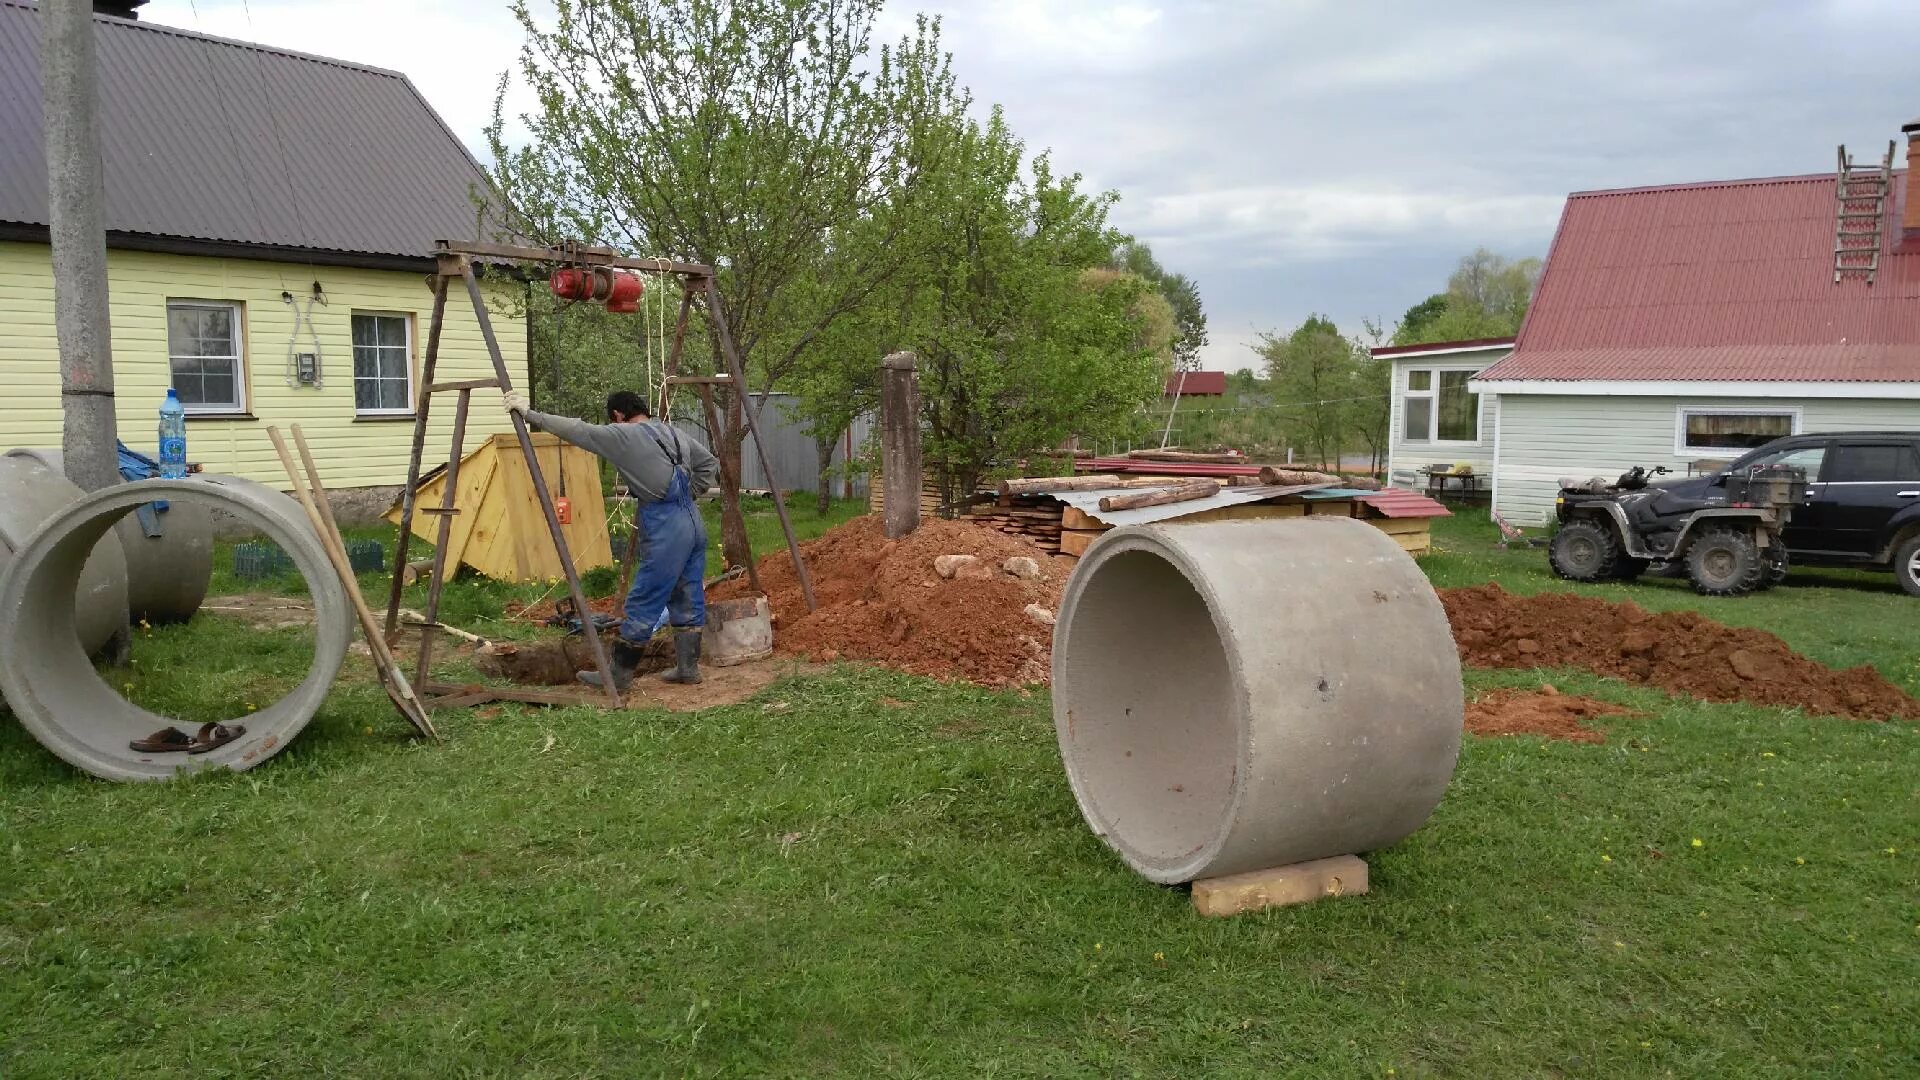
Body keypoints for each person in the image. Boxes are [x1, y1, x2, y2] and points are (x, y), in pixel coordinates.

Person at [503, 389, 720, 689]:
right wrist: (688, 494)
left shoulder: (624, 435)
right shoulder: (672, 432)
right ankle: (688, 669)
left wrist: (530, 415)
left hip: (666, 524)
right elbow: (709, 462)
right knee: (687, 592)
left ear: (618, 415)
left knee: (645, 597)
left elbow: (579, 431)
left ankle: (617, 676)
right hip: (693, 521)